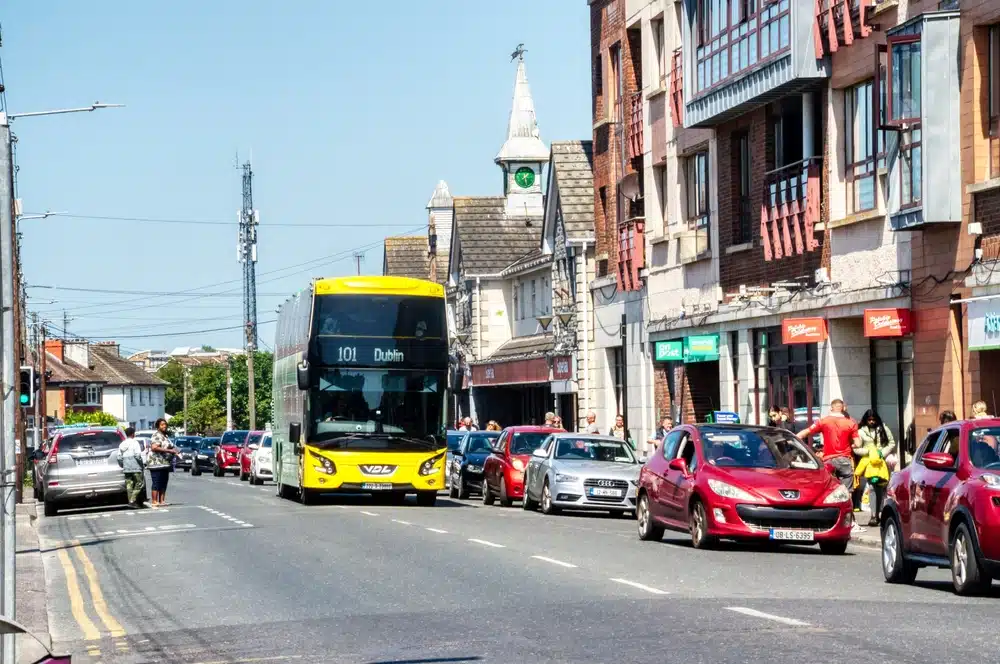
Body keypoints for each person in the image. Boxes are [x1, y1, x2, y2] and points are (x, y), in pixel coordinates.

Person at [797, 399, 861, 528]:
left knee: (826, 491)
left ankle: (822, 520)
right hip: (845, 459)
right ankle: (850, 522)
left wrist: (794, 441)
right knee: (847, 492)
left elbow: (804, 433)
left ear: (831, 408)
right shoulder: (851, 422)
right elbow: (858, 443)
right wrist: (851, 444)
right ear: (843, 408)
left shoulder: (824, 421)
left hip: (828, 460)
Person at [854, 444, 890, 527]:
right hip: (881, 477)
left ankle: (873, 516)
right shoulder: (880, 456)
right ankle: (878, 515)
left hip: (871, 477)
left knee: (872, 493)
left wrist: (857, 473)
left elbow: (861, 466)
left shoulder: (867, 456)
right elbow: (885, 467)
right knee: (879, 494)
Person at [147, 418, 179, 507]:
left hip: (164, 463)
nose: (164, 426)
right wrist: (169, 451)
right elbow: (154, 447)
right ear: (158, 426)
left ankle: (162, 501)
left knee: (164, 482)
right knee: (156, 482)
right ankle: (154, 501)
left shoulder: (165, 436)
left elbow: (169, 446)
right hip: (156, 463)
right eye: (162, 424)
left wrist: (175, 450)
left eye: (165, 424)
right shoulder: (156, 435)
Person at [117, 426, 146, 509]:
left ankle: (131, 501)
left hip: (126, 467)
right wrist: (141, 464)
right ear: (133, 434)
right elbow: (137, 455)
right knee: (139, 483)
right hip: (136, 467)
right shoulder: (135, 443)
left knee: (129, 485)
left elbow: (119, 457)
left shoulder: (122, 444)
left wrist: (123, 465)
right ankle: (132, 500)